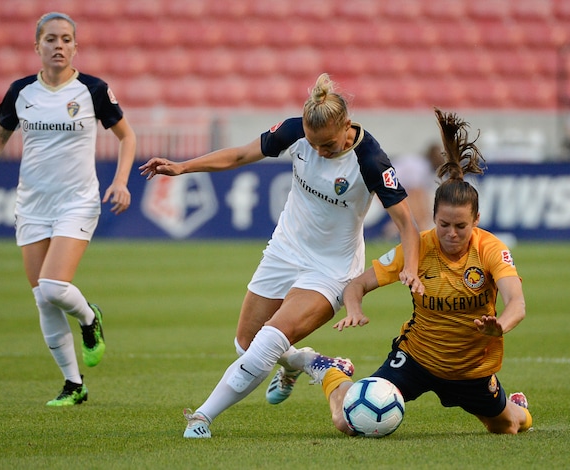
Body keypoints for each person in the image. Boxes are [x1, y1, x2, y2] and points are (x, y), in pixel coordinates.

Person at [139, 73, 425, 438]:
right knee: (245, 343)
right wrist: (183, 166)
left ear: (346, 126)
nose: (319, 151)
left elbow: (407, 224)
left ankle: (201, 417)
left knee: (268, 341)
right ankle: (310, 362)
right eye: (313, 143)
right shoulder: (295, 132)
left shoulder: (371, 160)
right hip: (284, 251)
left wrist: (411, 270)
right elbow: (242, 154)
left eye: (327, 144)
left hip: (330, 269)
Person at [298, 108, 533, 436]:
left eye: (461, 226)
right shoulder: (418, 247)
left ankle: (516, 406)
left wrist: (501, 326)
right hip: (416, 360)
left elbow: (516, 303)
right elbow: (357, 284)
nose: (451, 233)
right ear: (434, 217)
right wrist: (354, 308)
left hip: (472, 369)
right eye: (444, 224)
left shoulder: (490, 249)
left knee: (508, 427)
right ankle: (331, 371)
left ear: (475, 222)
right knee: (346, 424)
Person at [0, 12, 136, 406]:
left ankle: (90, 317)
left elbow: (127, 137)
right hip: (32, 204)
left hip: (76, 201)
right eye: (51, 39)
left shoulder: (92, 90)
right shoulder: (21, 92)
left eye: (67, 39)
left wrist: (121, 181)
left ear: (76, 46)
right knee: (43, 297)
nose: (59, 46)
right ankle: (74, 385)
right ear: (36, 46)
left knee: (54, 286)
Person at [382, 142, 444, 237]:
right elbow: (415, 194)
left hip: (392, 186)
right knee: (411, 214)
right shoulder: (420, 167)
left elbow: (422, 194)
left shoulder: (424, 167)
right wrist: (421, 215)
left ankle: (390, 233)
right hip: (386, 185)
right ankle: (420, 236)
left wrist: (425, 213)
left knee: (411, 215)